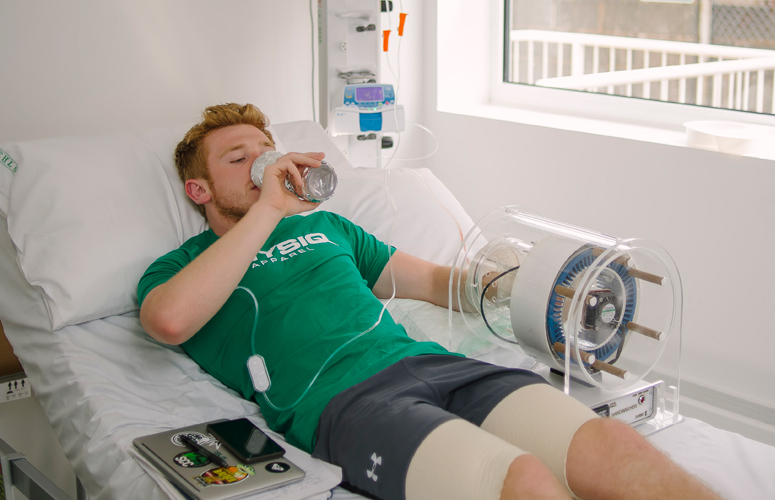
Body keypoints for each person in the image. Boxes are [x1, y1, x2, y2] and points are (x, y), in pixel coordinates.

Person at [138, 103, 723, 500]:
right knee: (521, 481)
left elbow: (443, 285)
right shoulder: (181, 267)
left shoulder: (331, 229)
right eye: (238, 160)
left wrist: (534, 288)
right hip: (345, 403)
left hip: (433, 365)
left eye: (266, 152)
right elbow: (168, 320)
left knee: (609, 446)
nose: (263, 165)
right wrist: (268, 206)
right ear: (200, 190)